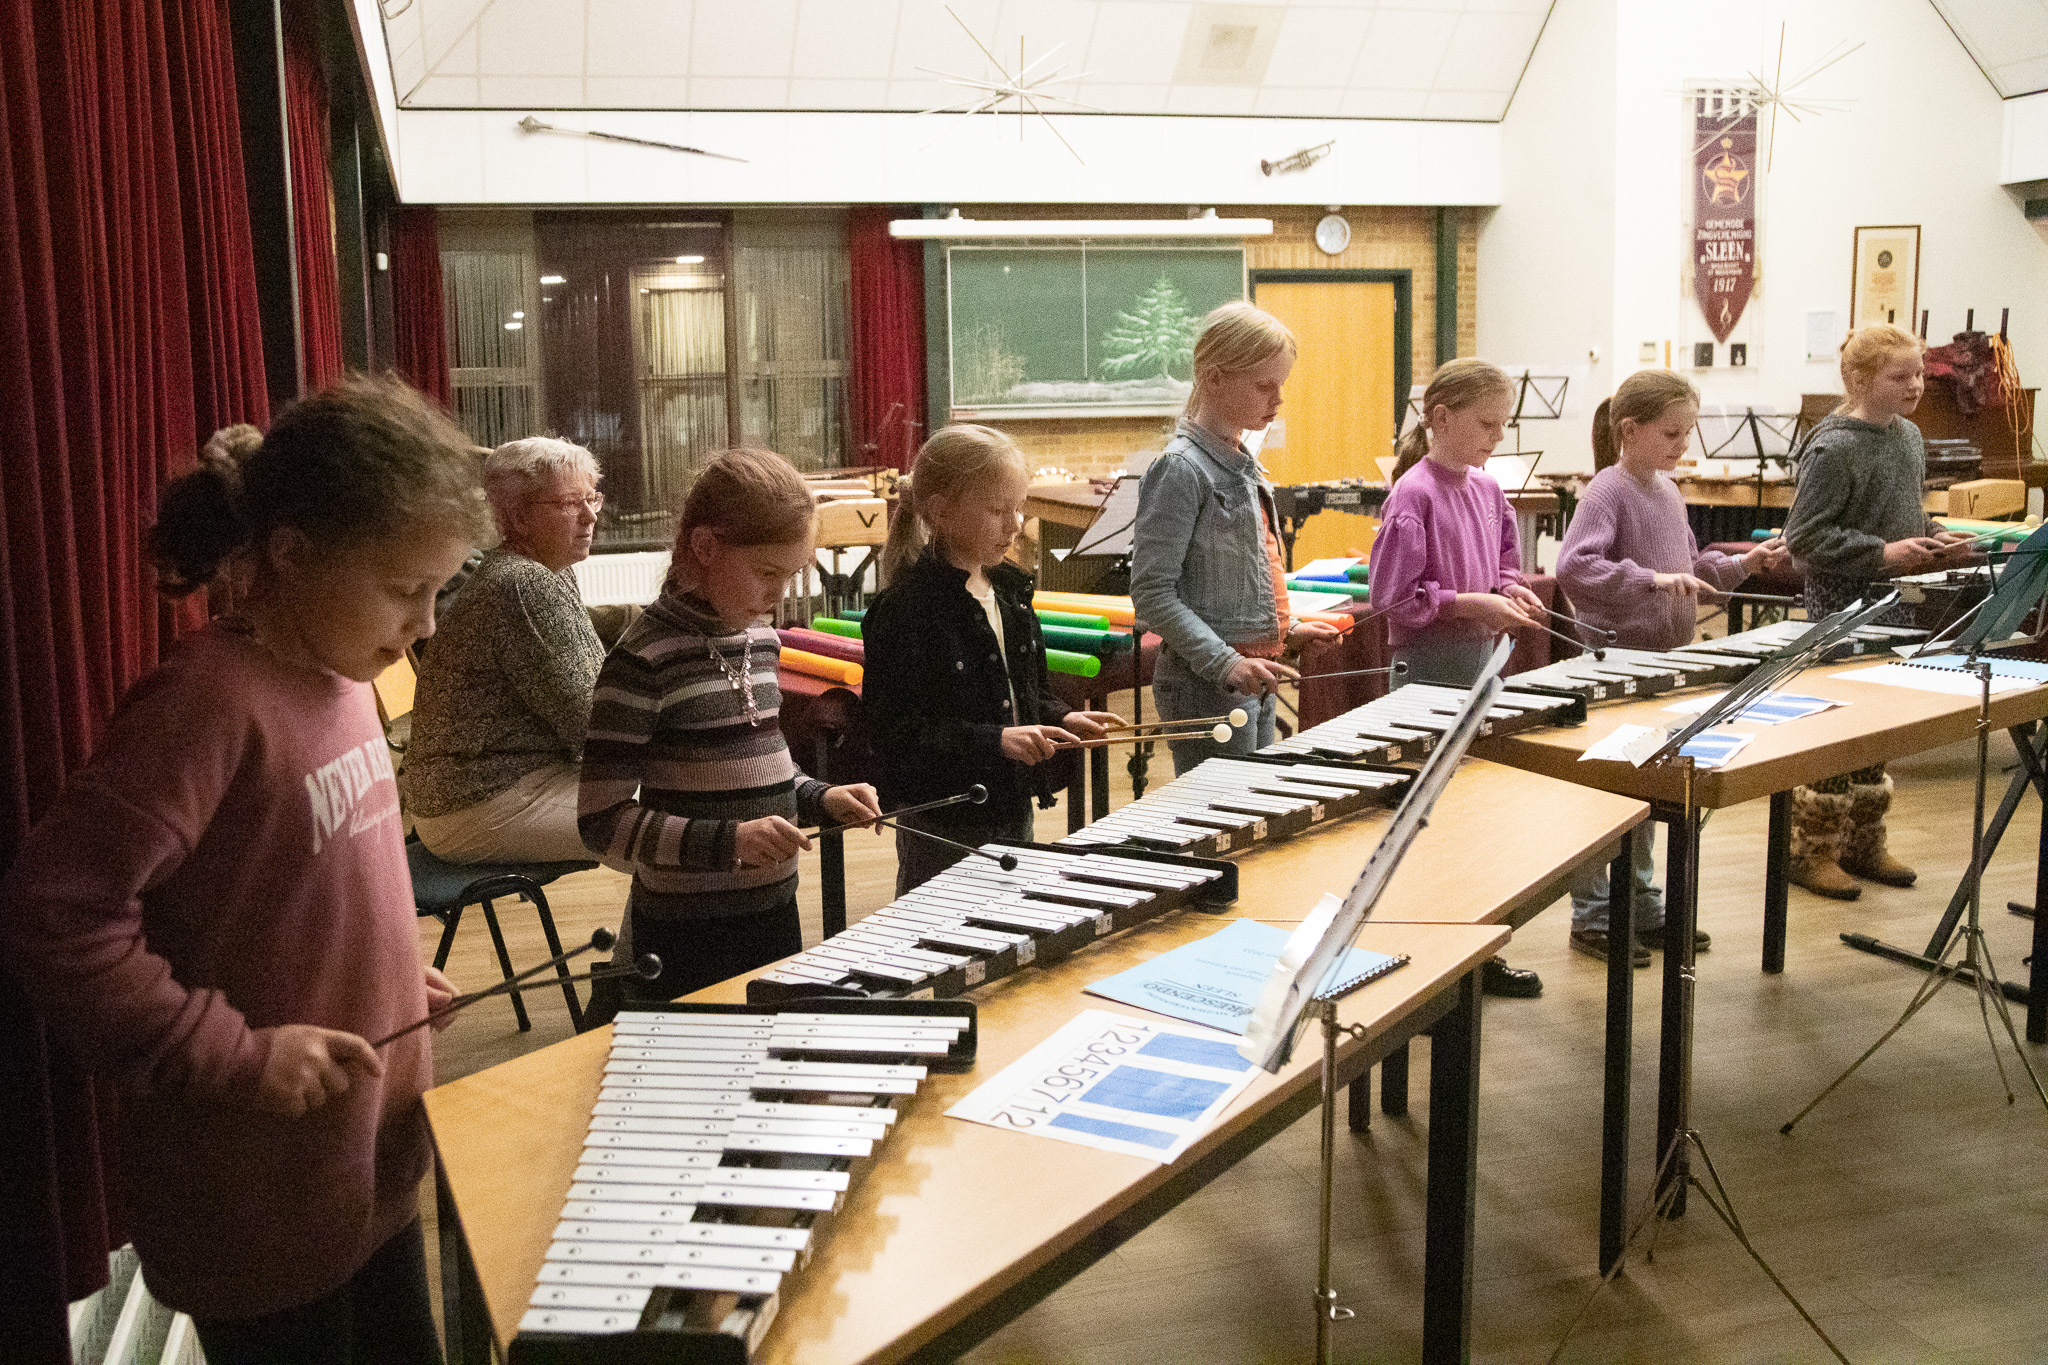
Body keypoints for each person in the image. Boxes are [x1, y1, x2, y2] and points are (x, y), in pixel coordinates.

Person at [0, 376, 487, 1365]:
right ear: (294, 553)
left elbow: (296, 883)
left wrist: (391, 976)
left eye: (438, 590)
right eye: (407, 589)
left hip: (371, 1171)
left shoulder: (343, 676)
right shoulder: (206, 703)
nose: (427, 623)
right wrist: (233, 1054)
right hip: (257, 1193)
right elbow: (57, 913)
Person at [579, 447, 883, 1002]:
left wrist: (821, 797)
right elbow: (601, 822)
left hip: (774, 910)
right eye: (767, 573)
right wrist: (730, 841)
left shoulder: (762, 642)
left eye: (791, 575)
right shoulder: (645, 658)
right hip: (682, 931)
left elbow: (764, 772)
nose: (779, 594)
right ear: (704, 548)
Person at [1555, 370, 1790, 963]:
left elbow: (1691, 571)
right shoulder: (1606, 490)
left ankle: (1639, 902)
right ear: (1630, 430)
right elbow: (1575, 568)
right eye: (1671, 433)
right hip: (1614, 665)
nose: (1682, 445)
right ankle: (1593, 914)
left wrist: (1746, 564)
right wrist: (1650, 580)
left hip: (1663, 667)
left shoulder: (1667, 491)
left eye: (1687, 432)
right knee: (1608, 791)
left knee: (1648, 788)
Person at [863, 425, 1124, 893]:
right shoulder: (905, 610)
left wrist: (1061, 717)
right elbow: (896, 734)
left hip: (1011, 801)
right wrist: (996, 741)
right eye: (997, 510)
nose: (1015, 524)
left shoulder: (1009, 592)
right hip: (945, 818)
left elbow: (1024, 692)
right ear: (941, 511)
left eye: (1018, 508)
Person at [1368, 357, 1547, 999]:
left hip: (1479, 668)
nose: (1497, 438)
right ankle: (1428, 951)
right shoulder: (1413, 494)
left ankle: (1477, 949)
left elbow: (1505, 561)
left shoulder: (1489, 490)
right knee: (1428, 822)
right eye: (1487, 424)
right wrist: (1470, 603)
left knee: (1473, 819)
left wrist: (1509, 588)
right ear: (1441, 418)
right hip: (1428, 673)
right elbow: (1392, 599)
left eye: (1503, 425)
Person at [1782, 324, 1976, 898]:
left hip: (1896, 601)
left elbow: (1901, 513)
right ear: (1860, 380)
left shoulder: (1908, 436)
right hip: (1841, 605)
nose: (1916, 385)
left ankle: (1863, 842)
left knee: (1877, 723)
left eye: (1919, 373)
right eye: (1900, 376)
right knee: (1839, 726)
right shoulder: (1833, 447)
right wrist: (1883, 553)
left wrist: (1935, 535)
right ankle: (1812, 850)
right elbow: (1803, 538)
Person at [1130, 302, 1341, 776]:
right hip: (1206, 684)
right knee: (1222, 813)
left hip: (1251, 677)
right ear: (1214, 378)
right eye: (1265, 386)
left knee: (1253, 807)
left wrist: (1287, 632)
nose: (1278, 399)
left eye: (1281, 385)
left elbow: (1243, 582)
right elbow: (1152, 593)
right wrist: (1225, 662)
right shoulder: (1181, 470)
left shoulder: (1244, 464)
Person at [405, 437, 606, 864]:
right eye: (570, 503)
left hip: (507, 782)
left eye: (592, 498)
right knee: (672, 814)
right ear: (518, 518)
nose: (590, 516)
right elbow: (593, 726)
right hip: (475, 803)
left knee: (682, 806)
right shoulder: (522, 583)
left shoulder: (548, 571)